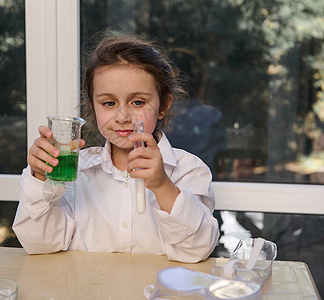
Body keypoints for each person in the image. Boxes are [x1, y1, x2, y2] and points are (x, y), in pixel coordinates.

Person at [13, 32, 219, 263]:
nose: (122, 116)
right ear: (92, 105)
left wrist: (162, 185)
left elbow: (197, 250)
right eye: (109, 103)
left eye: (138, 102)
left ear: (163, 105)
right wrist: (41, 178)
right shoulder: (75, 171)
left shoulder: (189, 170)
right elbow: (39, 244)